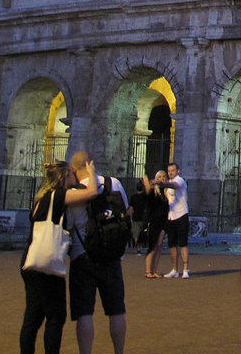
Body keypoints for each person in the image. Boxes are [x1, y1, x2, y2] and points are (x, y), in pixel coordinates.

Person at [21, 160, 96, 354]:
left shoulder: (42, 197)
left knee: (34, 316)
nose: (74, 176)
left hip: (30, 260)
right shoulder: (58, 195)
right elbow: (91, 193)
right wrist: (91, 172)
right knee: (56, 317)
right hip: (48, 262)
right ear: (63, 177)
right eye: (71, 174)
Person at [66, 151, 127, 354]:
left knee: (84, 313)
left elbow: (68, 225)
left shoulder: (75, 192)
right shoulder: (114, 184)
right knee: (116, 310)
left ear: (74, 169)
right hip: (111, 254)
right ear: (91, 163)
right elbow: (124, 213)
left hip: (82, 255)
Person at [161, 162, 190, 279]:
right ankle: (174, 269)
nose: (170, 173)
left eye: (172, 170)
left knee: (183, 243)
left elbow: (175, 186)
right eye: (169, 171)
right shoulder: (168, 184)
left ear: (177, 171)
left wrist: (161, 183)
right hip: (171, 216)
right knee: (172, 244)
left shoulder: (180, 180)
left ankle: (185, 269)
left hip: (181, 214)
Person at [143, 174, 169, 279]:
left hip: (163, 221)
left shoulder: (166, 193)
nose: (162, 179)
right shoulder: (154, 191)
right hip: (154, 220)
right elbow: (147, 194)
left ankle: (155, 270)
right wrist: (148, 183)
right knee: (153, 245)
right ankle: (148, 270)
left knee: (159, 245)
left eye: (164, 177)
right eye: (160, 177)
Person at [128, 178, 150, 255]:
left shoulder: (133, 197)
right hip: (144, 217)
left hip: (135, 217)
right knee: (145, 232)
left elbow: (131, 209)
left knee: (136, 234)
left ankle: (138, 248)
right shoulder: (145, 197)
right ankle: (147, 245)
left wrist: (131, 218)